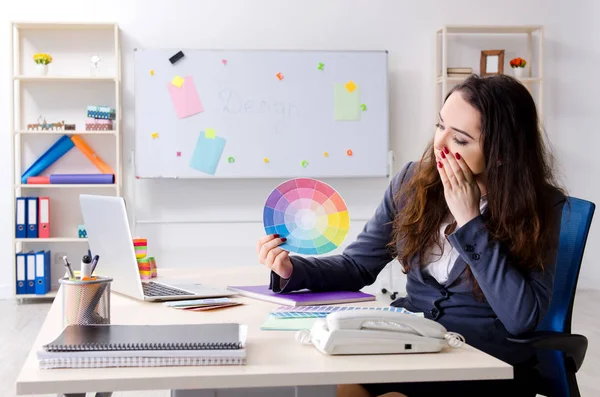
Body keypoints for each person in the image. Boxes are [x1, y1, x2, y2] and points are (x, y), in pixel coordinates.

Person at [256, 74, 566, 397]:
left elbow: (521, 317)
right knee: (345, 385)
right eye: (439, 126)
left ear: (501, 152)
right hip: (412, 344)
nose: (439, 144)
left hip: (483, 362)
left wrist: (470, 220)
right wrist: (293, 270)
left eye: (459, 140)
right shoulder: (411, 183)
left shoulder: (542, 206)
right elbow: (357, 266)